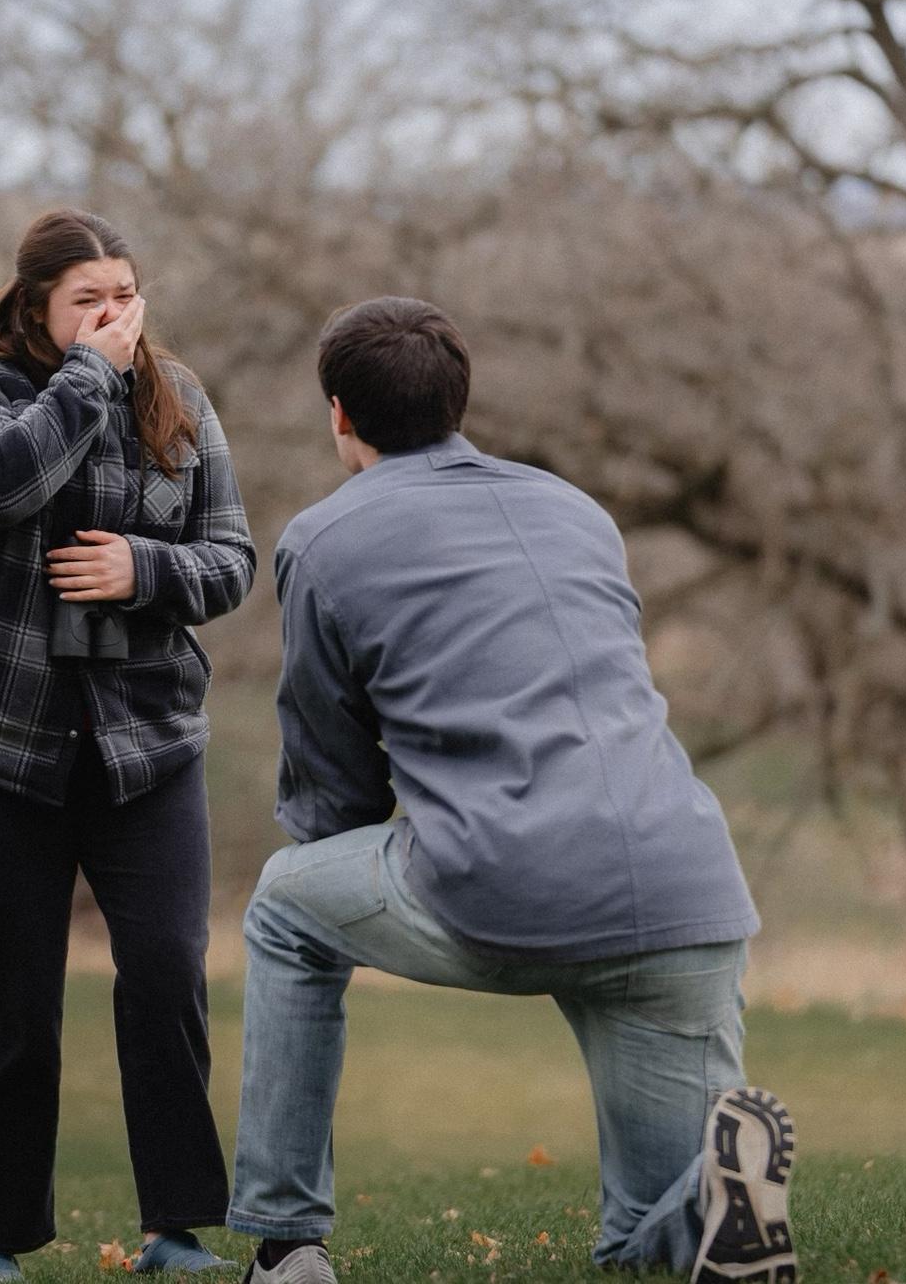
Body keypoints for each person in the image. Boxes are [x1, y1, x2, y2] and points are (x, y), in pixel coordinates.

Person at [226, 297, 795, 1284]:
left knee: (285, 906)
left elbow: (332, 779)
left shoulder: (323, 540)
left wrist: (344, 851)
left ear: (338, 415)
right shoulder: (577, 510)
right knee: (640, 1246)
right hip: (685, 886)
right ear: (460, 400)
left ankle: (286, 1247)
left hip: (508, 879)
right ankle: (711, 1201)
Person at [0, 209, 255, 1279]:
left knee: (166, 976)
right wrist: (88, 377)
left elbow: (233, 558)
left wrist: (145, 571)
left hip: (146, 741)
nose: (114, 316)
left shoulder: (177, 396)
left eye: (125, 295)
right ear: (34, 308)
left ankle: (175, 1231)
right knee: (6, 1001)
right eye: (87, 301)